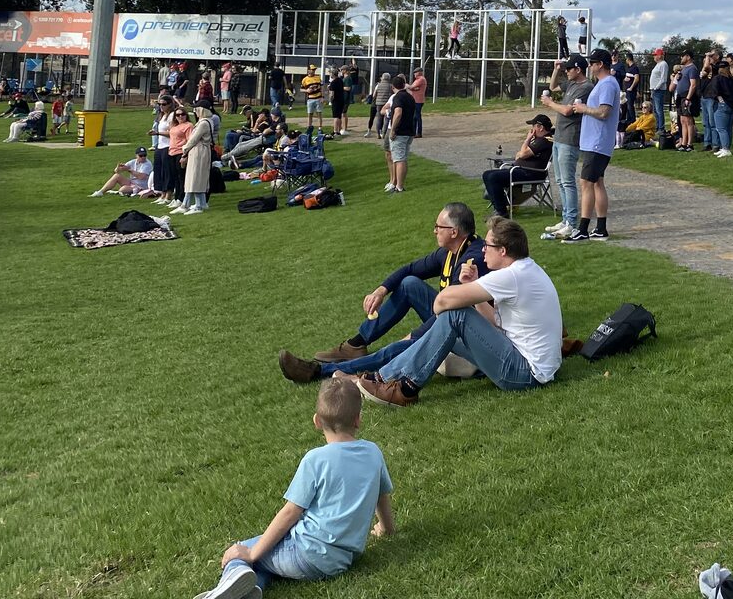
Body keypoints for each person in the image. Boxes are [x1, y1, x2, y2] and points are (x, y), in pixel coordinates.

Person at [205, 374, 394, 599]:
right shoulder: (373, 453)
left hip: (306, 554)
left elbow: (290, 513)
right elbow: (382, 496)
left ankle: (224, 586)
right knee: (263, 565)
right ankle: (250, 592)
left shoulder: (315, 460)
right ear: (358, 419)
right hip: (342, 560)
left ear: (317, 421)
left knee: (241, 551)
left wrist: (252, 552)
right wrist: (385, 527)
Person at [355, 216, 563, 407]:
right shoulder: (525, 269)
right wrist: (473, 284)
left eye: (487, 246)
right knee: (448, 328)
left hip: (525, 375)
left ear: (503, 251)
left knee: (454, 314)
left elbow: (442, 302)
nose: (482, 250)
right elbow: (497, 323)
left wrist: (442, 307)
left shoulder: (511, 276)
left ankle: (405, 388)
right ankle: (385, 378)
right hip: (527, 363)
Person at [282, 203, 488, 382]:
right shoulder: (451, 251)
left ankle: (320, 372)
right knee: (409, 283)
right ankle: (356, 344)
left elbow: (454, 312)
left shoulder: (471, 260)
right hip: (450, 319)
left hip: (470, 333)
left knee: (403, 346)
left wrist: (413, 336)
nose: (434, 231)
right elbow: (409, 270)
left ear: (454, 231)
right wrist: (381, 291)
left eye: (438, 227)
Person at [566, 48, 621, 243]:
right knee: (597, 182)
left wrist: (582, 109)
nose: (589, 66)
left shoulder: (607, 84)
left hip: (597, 143)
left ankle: (582, 229)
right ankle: (600, 228)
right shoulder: (604, 84)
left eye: (592, 63)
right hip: (596, 142)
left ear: (600, 65)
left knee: (586, 183)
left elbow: (604, 112)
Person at [540, 55, 594, 240]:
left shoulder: (586, 87)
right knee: (561, 181)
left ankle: (571, 222)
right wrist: (556, 69)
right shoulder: (571, 84)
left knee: (568, 181)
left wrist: (550, 103)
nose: (566, 71)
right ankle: (565, 220)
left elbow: (567, 110)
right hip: (559, 137)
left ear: (578, 69)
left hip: (570, 139)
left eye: (568, 69)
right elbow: (553, 87)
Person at [482, 115, 553, 218]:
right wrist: (522, 152)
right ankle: (499, 208)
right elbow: (518, 155)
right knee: (487, 174)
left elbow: (522, 154)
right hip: (521, 170)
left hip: (531, 173)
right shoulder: (537, 140)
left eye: (533, 126)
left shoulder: (545, 140)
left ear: (540, 127)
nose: (531, 129)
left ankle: (501, 212)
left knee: (493, 178)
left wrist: (527, 139)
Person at [177, 105, 215, 214]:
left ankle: (198, 205)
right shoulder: (206, 122)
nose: (195, 112)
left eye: (197, 110)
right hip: (199, 151)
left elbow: (193, 139)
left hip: (199, 151)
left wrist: (185, 149)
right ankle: (197, 202)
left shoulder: (203, 123)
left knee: (196, 177)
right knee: (195, 177)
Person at [382, 76, 416, 193]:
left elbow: (398, 113)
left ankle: (399, 186)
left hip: (400, 132)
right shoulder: (410, 97)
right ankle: (399, 184)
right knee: (403, 158)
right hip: (409, 131)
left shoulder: (398, 97)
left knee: (398, 159)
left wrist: (393, 130)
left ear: (392, 87)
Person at [672, 51, 699, 152]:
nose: (681, 58)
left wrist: (688, 98)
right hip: (680, 96)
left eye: (682, 56)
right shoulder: (684, 69)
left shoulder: (692, 68)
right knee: (682, 121)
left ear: (688, 57)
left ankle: (690, 144)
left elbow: (693, 84)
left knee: (688, 121)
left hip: (687, 97)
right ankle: (683, 143)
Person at [712, 58, 733, 157]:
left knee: (721, 128)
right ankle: (726, 147)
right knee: (728, 129)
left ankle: (725, 148)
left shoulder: (717, 78)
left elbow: (715, 92)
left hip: (723, 105)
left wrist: (721, 101)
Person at [649, 48, 671, 137]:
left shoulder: (663, 64)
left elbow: (663, 78)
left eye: (655, 55)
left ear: (659, 56)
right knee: (655, 110)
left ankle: (661, 128)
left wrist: (656, 87)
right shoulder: (658, 64)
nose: (654, 57)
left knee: (659, 109)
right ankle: (658, 127)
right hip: (654, 90)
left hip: (658, 90)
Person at [366, 73, 393, 138]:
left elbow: (374, 95)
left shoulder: (378, 85)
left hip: (378, 103)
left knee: (379, 118)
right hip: (386, 103)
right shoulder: (390, 86)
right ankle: (384, 133)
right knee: (387, 118)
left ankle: (378, 133)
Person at [300, 65, 325, 133]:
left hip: (318, 98)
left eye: (314, 70)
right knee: (310, 114)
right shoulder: (305, 79)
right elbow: (301, 89)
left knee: (319, 113)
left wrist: (322, 97)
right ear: (308, 70)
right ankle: (309, 127)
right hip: (310, 99)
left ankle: (320, 128)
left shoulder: (318, 78)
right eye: (312, 69)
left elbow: (322, 87)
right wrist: (307, 90)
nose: (313, 71)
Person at [407, 67, 428, 138]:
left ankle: (418, 132)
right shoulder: (419, 80)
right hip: (417, 100)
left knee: (417, 116)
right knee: (415, 116)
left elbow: (411, 87)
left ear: (419, 72)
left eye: (415, 73)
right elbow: (414, 88)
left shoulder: (420, 79)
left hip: (418, 100)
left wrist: (408, 86)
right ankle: (414, 132)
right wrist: (414, 88)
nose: (414, 74)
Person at [328, 67, 349, 138]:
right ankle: (339, 129)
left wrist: (330, 100)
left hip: (336, 101)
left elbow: (332, 94)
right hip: (341, 99)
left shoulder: (333, 83)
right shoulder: (340, 80)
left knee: (335, 116)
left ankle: (335, 131)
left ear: (332, 74)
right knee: (339, 116)